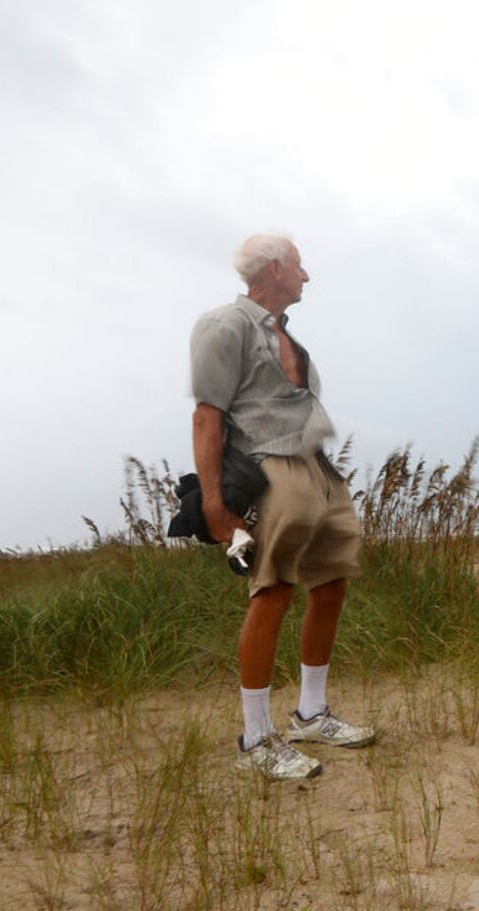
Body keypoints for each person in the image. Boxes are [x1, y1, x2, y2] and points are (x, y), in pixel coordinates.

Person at [189, 233, 375, 779]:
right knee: (272, 590)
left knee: (332, 582)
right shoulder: (225, 326)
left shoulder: (289, 337)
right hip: (270, 468)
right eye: (299, 265)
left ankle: (310, 713)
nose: (306, 275)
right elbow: (206, 415)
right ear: (274, 268)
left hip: (318, 468)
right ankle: (256, 738)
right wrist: (214, 502)